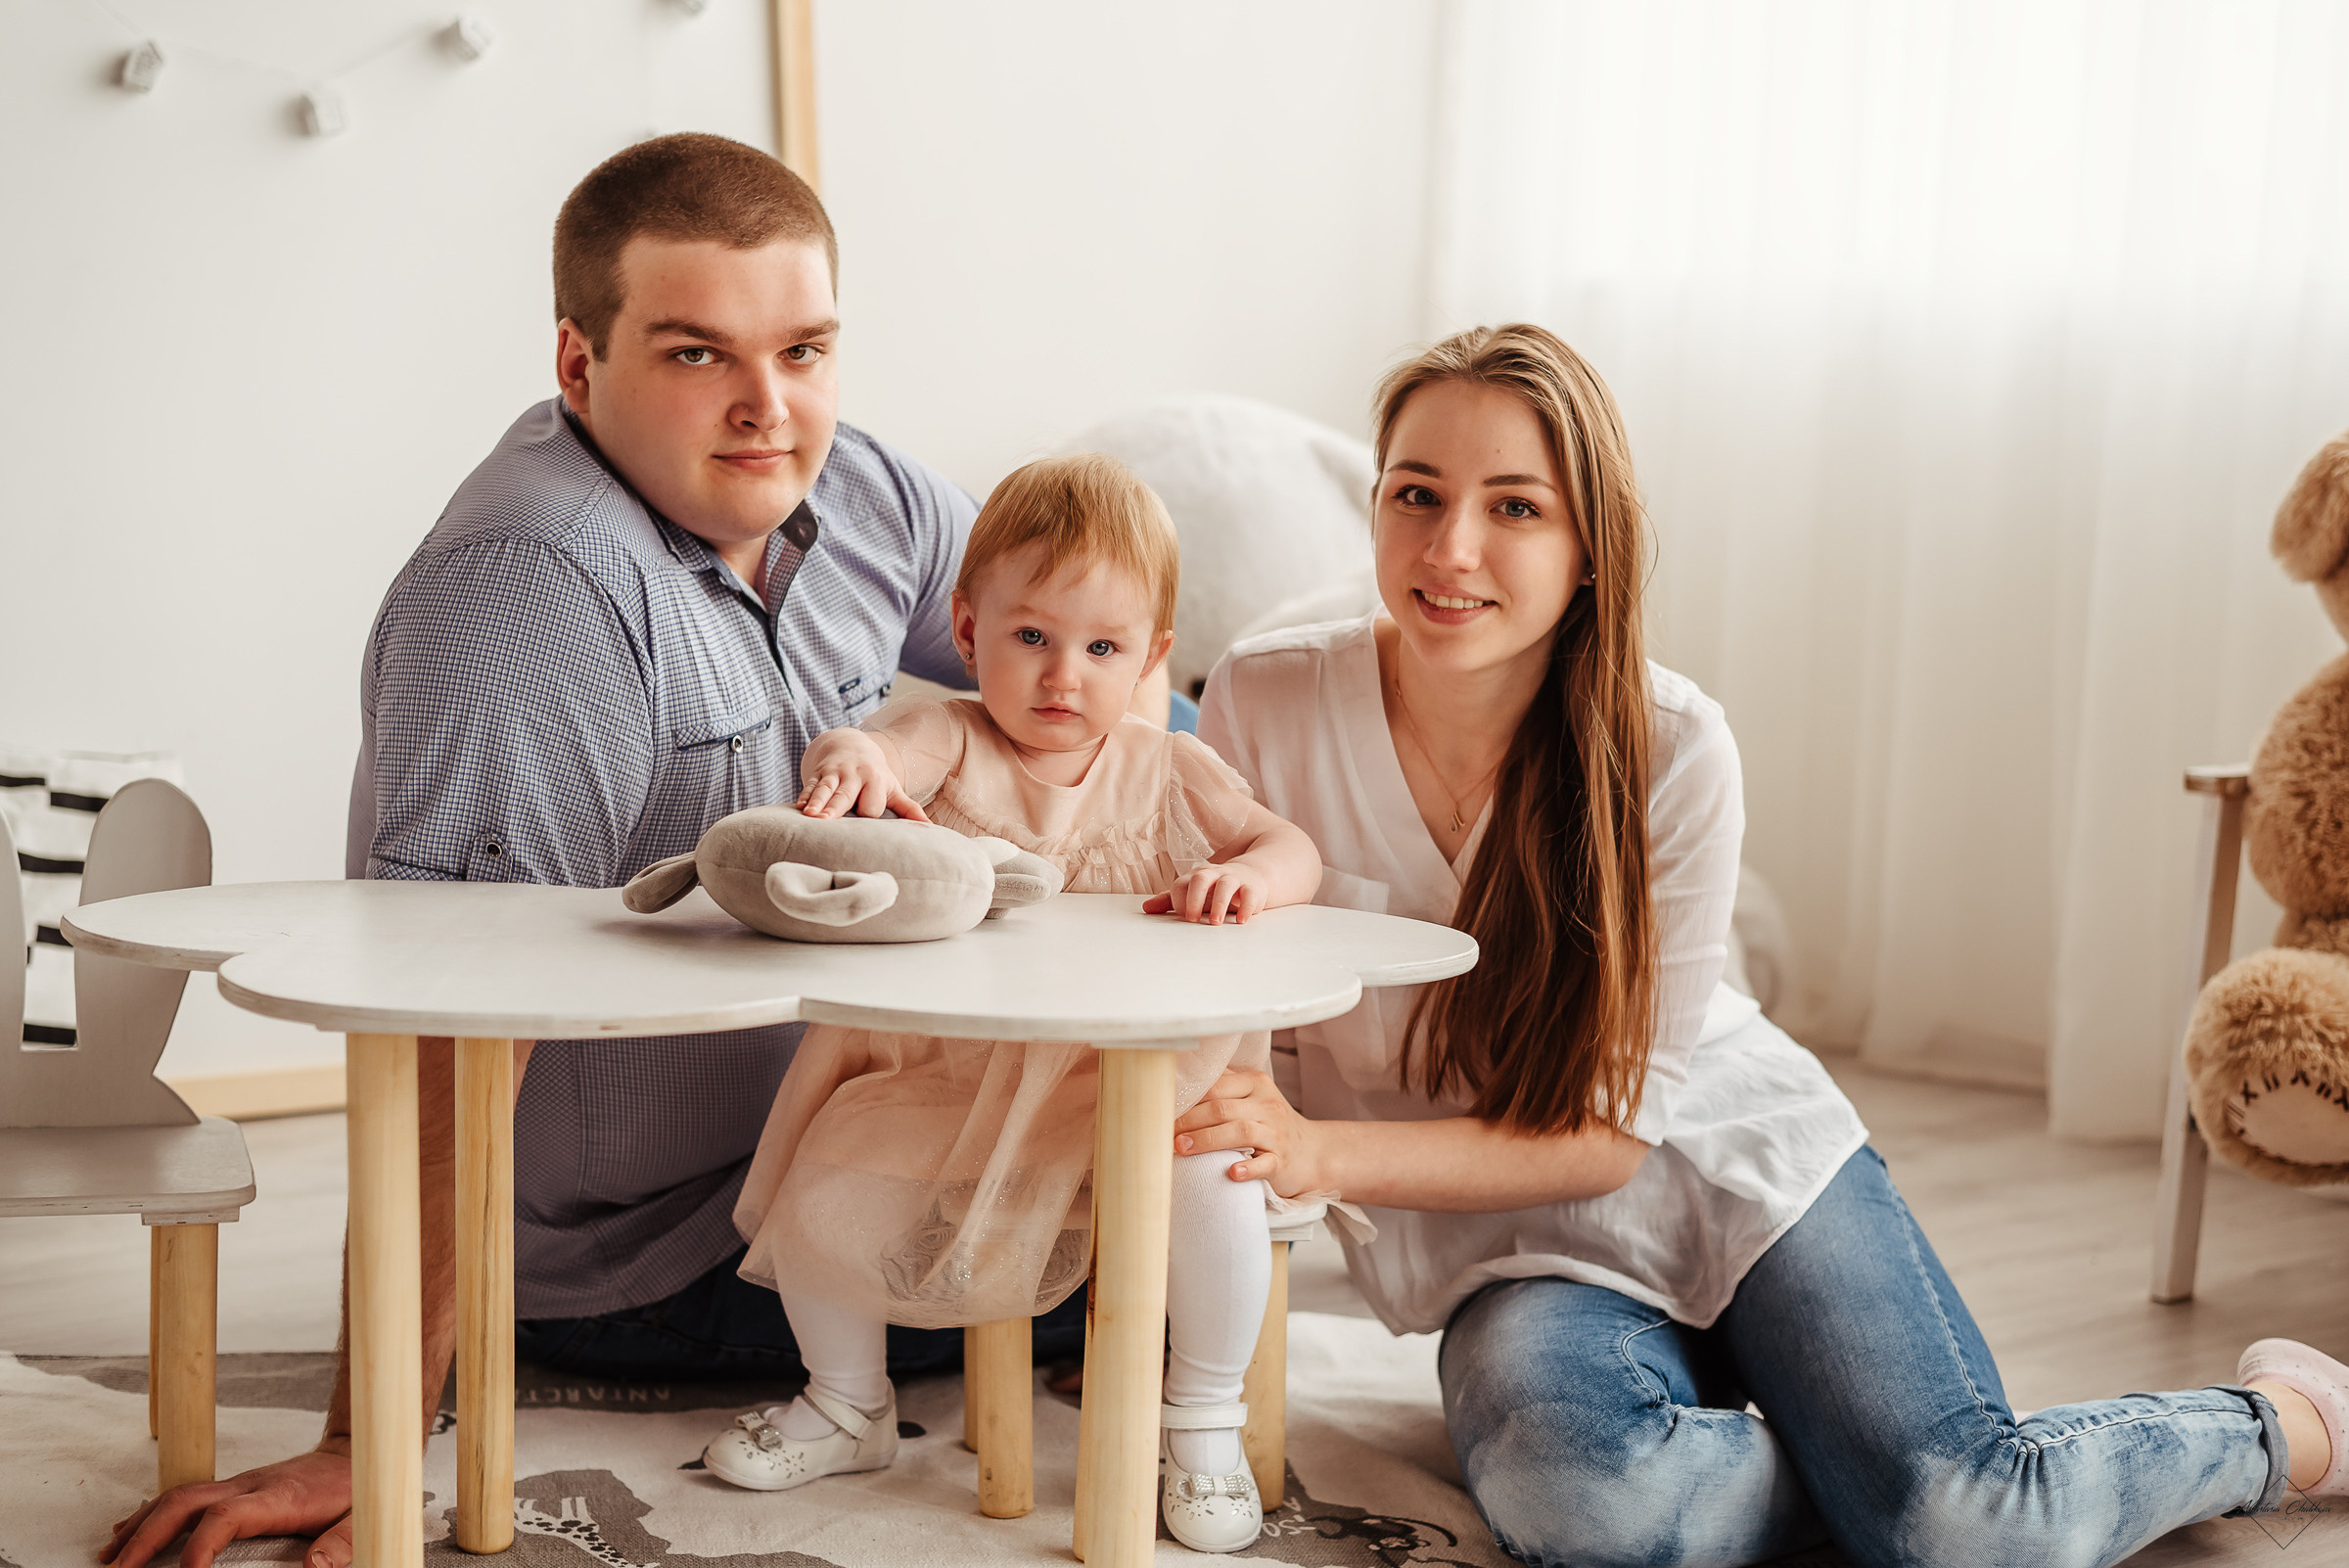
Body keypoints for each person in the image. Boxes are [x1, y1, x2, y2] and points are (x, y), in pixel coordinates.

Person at [1183, 322, 2349, 1568]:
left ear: (1587, 549)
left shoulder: (1674, 745)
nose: (1450, 549)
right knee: (1584, 1504)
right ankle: (1869, 1486)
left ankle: (2290, 1427)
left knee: (1968, 1526)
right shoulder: (1265, 699)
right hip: (1509, 1249)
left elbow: (1607, 1135)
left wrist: (1317, 1149)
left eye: (1514, 507)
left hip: (1742, 1176)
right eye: (1416, 494)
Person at [101, 132, 1092, 1568]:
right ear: (580, 366)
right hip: (662, 1251)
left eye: (805, 349)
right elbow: (447, 1013)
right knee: (1182, 1232)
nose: (770, 410)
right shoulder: (532, 589)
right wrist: (370, 1430)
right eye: (699, 357)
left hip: (840, 1144)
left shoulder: (861, 488)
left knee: (1196, 1143)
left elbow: (1089, 692)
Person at [702, 454, 1320, 1552]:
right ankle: (849, 1401)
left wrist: (1254, 877)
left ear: (1152, 658)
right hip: (957, 1074)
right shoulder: (953, 737)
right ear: (968, 622)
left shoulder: (1169, 765)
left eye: (1102, 649)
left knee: (1216, 1182)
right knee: (825, 1176)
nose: (1061, 677)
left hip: (1138, 1077)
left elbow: (1288, 846)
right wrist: (848, 750)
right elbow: (881, 748)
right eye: (1030, 636)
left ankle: (1204, 1417)